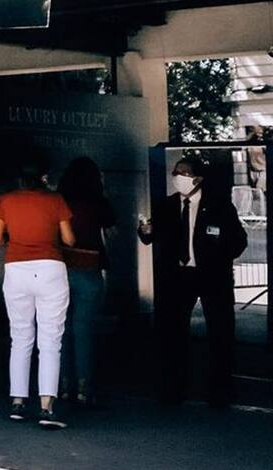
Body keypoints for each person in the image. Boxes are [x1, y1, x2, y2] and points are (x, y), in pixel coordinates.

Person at [139, 154, 247, 407]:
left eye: (182, 173)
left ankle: (219, 391)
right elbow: (150, 237)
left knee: (220, 333)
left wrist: (217, 258)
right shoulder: (166, 206)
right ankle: (173, 388)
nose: (177, 178)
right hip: (178, 277)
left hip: (212, 277)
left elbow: (238, 241)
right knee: (173, 332)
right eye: (175, 173)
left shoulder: (219, 206)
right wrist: (145, 232)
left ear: (197, 179)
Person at [0, 152, 75, 428]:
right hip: (51, 269)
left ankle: (17, 401)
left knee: (21, 337)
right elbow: (69, 239)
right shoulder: (56, 200)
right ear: (44, 177)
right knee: (50, 339)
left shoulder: (6, 200)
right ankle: (47, 406)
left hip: (16, 270)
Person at [57, 156, 116, 405]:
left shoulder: (59, 202)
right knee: (84, 330)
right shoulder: (98, 203)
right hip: (89, 268)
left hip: (60, 269)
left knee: (59, 330)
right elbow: (111, 226)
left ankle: (61, 384)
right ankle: (83, 387)